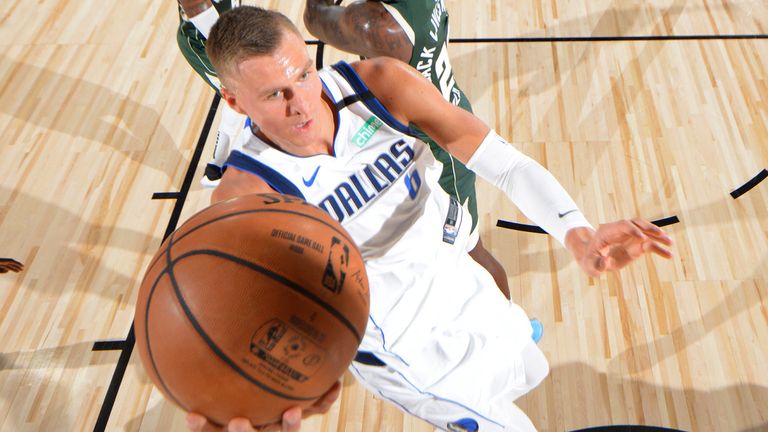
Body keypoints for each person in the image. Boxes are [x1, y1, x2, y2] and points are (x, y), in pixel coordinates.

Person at [186, 6, 673, 431]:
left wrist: (578, 233)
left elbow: (504, 163)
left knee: (523, 373)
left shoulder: (378, 85)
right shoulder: (247, 193)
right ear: (233, 102)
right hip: (399, 344)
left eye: (303, 76)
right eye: (274, 95)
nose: (301, 102)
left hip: (459, 282)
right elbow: (245, 315)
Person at [303, 0, 512, 300]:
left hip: (437, 147)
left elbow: (315, 17)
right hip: (423, 126)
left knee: (471, 254)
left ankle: (513, 332)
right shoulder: (400, 12)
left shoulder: (379, 26)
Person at [176, 0, 246, 186]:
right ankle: (218, 169)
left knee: (243, 96)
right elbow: (195, 6)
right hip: (203, 43)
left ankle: (216, 168)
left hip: (229, 29)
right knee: (243, 95)